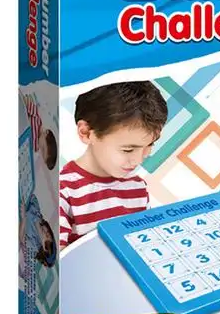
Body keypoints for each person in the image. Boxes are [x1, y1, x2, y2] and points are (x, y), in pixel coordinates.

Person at [58, 81, 168, 248]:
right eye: (128, 149)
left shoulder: (137, 187)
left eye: (149, 145)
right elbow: (57, 260)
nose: (138, 160)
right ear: (86, 133)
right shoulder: (61, 191)